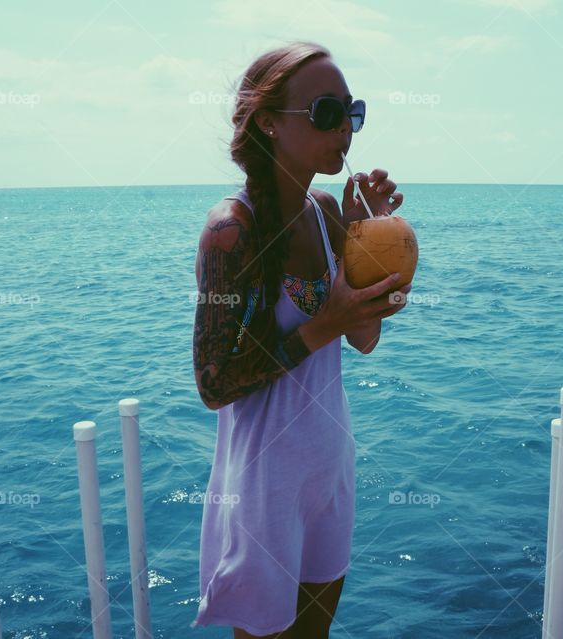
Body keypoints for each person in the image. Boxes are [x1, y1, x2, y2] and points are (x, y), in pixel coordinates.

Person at [190, 40, 412, 639]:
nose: (345, 129)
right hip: (265, 488)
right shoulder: (230, 231)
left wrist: (369, 249)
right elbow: (213, 385)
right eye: (325, 113)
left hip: (329, 468)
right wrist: (324, 325)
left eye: (352, 112)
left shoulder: (324, 212)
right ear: (267, 122)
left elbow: (362, 337)